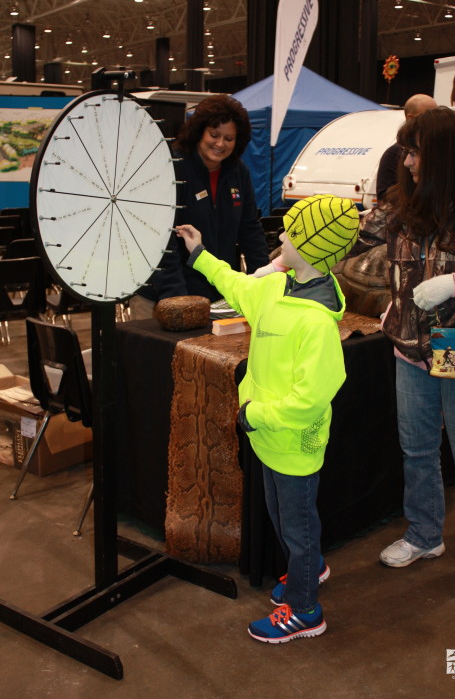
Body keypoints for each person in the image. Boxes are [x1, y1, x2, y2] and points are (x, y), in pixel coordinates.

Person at [348, 106, 455, 576]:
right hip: (409, 348)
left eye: (413, 152)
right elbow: (354, 236)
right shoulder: (402, 205)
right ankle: (425, 535)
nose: (406, 162)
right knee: (418, 446)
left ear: (441, 154)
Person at [176, 194, 360, 643]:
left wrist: (256, 413)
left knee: (294, 526)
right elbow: (236, 284)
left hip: (293, 443)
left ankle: (304, 610)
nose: (281, 237)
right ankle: (311, 567)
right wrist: (199, 254)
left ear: (313, 248)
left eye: (292, 234)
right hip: (266, 436)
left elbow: (311, 399)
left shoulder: (316, 324)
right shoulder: (277, 288)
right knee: (284, 517)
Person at [129, 94, 269, 319]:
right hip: (163, 297)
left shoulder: (238, 172)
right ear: (199, 132)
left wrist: (264, 283)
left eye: (229, 138)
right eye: (214, 135)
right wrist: (177, 300)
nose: (220, 144)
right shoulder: (172, 167)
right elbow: (161, 240)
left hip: (216, 296)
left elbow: (250, 229)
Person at [376, 93, 437, 202]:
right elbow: (384, 198)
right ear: (410, 118)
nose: (407, 162)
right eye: (428, 115)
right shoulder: (393, 154)